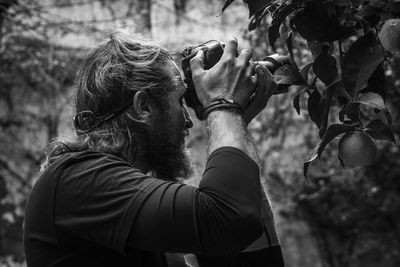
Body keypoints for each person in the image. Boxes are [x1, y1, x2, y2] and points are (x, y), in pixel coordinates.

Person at [23, 30, 285, 267]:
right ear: (144, 107)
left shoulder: (136, 211)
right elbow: (230, 217)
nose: (189, 119)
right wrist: (223, 105)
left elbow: (256, 253)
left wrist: (235, 120)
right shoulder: (75, 180)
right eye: (180, 101)